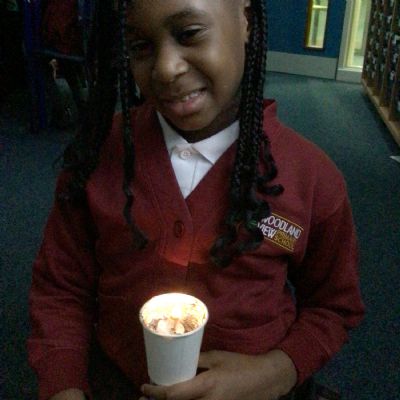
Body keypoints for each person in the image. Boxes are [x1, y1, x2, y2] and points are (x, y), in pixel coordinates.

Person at [27, 1, 365, 399]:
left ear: (246, 19)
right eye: (140, 47)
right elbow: (61, 288)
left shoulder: (311, 178)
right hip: (117, 380)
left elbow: (333, 306)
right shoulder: (97, 154)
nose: (166, 68)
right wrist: (63, 384)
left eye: (189, 34)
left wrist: (277, 372)